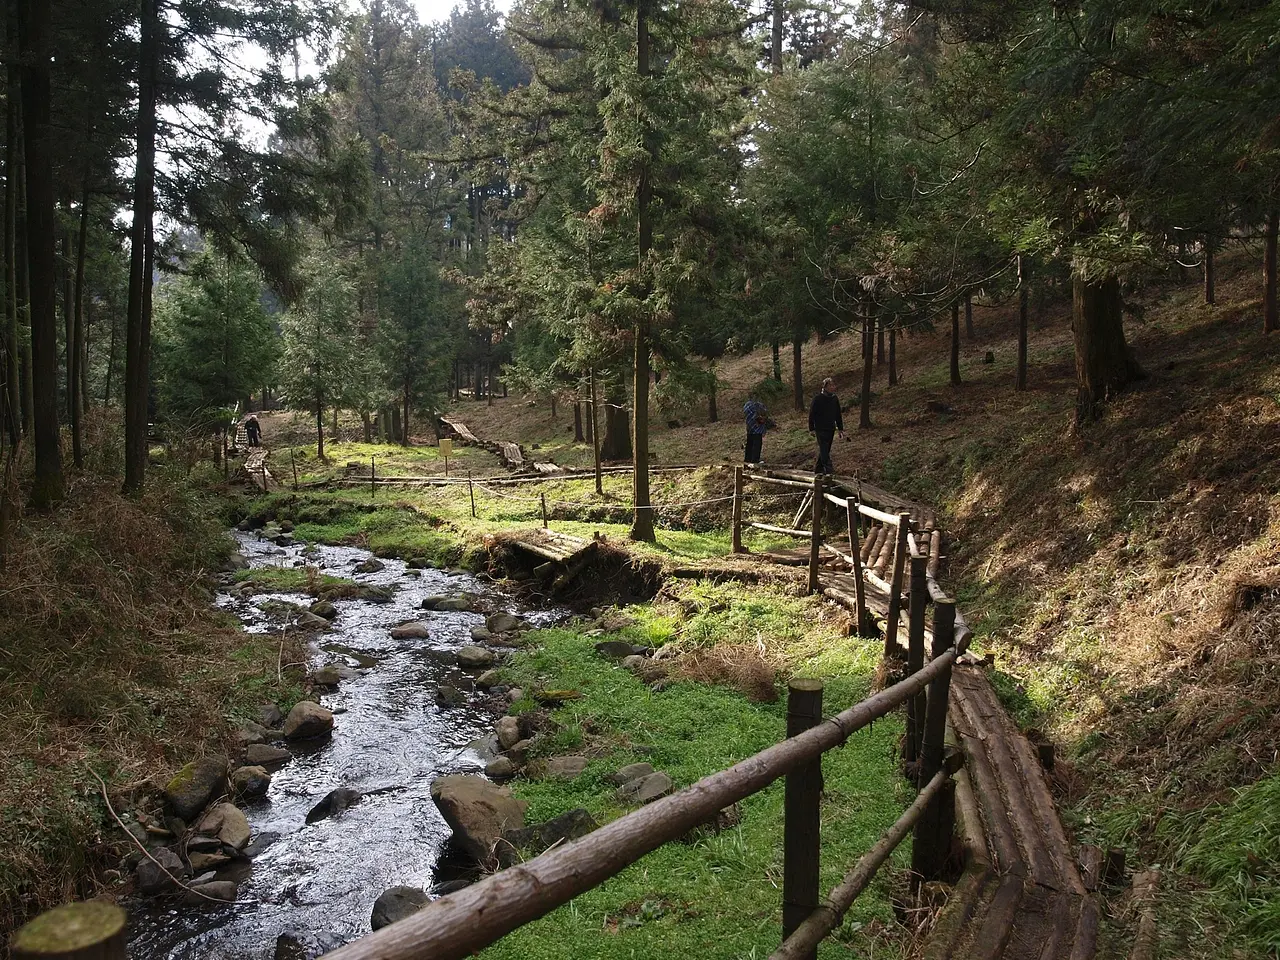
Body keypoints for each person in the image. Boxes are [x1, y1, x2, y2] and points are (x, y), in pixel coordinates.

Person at [808, 377, 844, 474]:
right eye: (831, 385)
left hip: (831, 428)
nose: (833, 387)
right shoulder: (817, 399)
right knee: (824, 448)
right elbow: (812, 414)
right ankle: (829, 470)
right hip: (820, 428)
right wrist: (811, 428)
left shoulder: (834, 399)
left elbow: (838, 414)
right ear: (826, 387)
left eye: (834, 385)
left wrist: (840, 428)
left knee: (826, 450)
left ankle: (818, 470)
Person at [742, 395, 772, 466]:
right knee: (757, 444)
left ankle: (747, 459)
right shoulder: (758, 406)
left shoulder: (746, 405)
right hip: (757, 428)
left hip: (749, 428)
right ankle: (755, 460)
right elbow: (762, 416)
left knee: (749, 443)